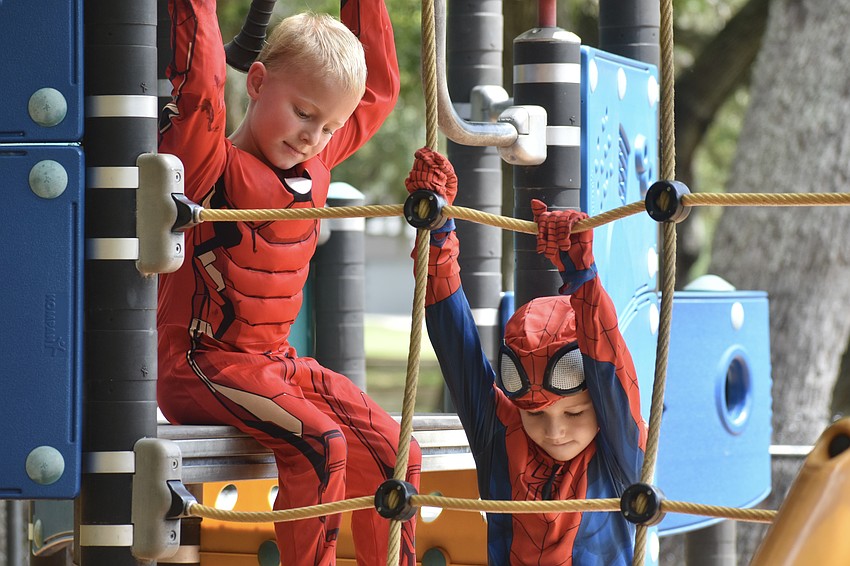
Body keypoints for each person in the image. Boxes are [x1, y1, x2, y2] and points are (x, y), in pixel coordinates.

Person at [157, 2, 421, 564]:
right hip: (201, 365)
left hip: (275, 364)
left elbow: (375, 91)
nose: (314, 137)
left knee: (395, 455)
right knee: (321, 446)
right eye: (304, 113)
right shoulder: (207, 165)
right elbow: (201, 77)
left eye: (328, 126)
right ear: (256, 81)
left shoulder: (315, 168)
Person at [405, 148, 648, 565]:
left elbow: (612, 372)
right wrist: (437, 232)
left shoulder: (619, 455)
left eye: (574, 414)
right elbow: (455, 345)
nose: (554, 432)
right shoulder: (500, 440)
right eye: (535, 415)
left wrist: (584, 280)